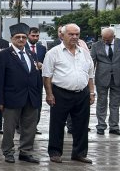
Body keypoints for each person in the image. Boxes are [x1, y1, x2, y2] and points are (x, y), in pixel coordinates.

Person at [43, 23, 95, 163]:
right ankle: (55, 152)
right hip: (61, 93)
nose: (74, 37)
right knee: (57, 124)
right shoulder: (53, 52)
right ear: (62, 35)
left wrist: (91, 92)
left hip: (82, 93)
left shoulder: (84, 52)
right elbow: (47, 75)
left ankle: (79, 153)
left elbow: (90, 74)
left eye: (77, 34)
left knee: (82, 125)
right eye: (71, 34)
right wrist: (49, 94)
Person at [0, 23, 42, 163]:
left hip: (31, 97)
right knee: (9, 128)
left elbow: (36, 76)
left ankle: (25, 151)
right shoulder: (4, 54)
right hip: (11, 97)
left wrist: (38, 96)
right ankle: (8, 151)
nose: (21, 39)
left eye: (23, 37)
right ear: (11, 38)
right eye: (18, 37)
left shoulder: (32, 54)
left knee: (29, 127)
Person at [91, 27, 120, 136]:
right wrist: (89, 78)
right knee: (101, 103)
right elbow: (92, 62)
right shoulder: (96, 45)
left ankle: (114, 127)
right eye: (103, 38)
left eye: (108, 39)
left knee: (115, 104)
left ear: (113, 36)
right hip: (102, 78)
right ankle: (101, 126)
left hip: (117, 78)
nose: (105, 41)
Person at [26, 26, 47, 134]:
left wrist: (42, 66)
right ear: (28, 35)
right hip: (24, 79)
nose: (35, 38)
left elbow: (46, 64)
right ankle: (21, 125)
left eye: (37, 36)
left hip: (38, 80)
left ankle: (34, 125)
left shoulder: (42, 48)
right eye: (33, 35)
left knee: (37, 103)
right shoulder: (22, 46)